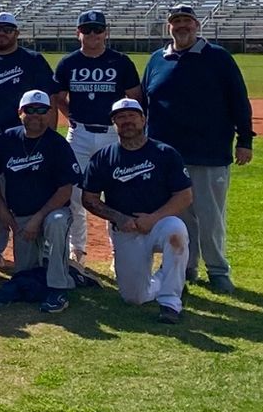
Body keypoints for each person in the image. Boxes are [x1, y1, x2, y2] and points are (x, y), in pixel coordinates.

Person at [141, 4, 254, 294]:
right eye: (176, 21)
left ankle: (217, 270)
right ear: (169, 27)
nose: (182, 26)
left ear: (196, 25)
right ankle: (185, 266)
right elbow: (145, 103)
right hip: (166, 156)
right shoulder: (157, 60)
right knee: (178, 216)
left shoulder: (218, 58)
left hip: (209, 151)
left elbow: (239, 100)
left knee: (210, 215)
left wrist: (245, 140)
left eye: (187, 21)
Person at [81, 98, 193, 324]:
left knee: (176, 232)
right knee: (134, 297)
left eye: (132, 115)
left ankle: (171, 303)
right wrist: (118, 217)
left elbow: (185, 196)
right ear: (114, 124)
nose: (127, 121)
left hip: (159, 222)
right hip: (126, 228)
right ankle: (166, 278)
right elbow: (89, 199)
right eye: (120, 117)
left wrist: (153, 219)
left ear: (143, 119)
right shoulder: (104, 158)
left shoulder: (165, 153)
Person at [0, 12, 58, 264]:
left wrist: (49, 136)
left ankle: (44, 247)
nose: (1, 33)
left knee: (37, 188)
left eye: (7, 28)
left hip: (29, 135)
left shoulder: (33, 60)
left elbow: (50, 101)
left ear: (17, 33)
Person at [53, 10, 141, 266]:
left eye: (97, 29)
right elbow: (58, 97)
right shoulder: (68, 62)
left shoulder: (121, 62)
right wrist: (73, 116)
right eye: (87, 29)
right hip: (79, 134)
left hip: (111, 134)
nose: (92, 34)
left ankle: (118, 252)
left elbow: (134, 98)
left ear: (106, 32)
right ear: (78, 33)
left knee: (117, 193)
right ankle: (77, 250)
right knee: (75, 194)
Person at [0, 90, 81, 314]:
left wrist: (38, 219)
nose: (36, 115)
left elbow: (66, 189)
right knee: (24, 273)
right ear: (20, 112)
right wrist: (0, 204)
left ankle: (59, 288)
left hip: (52, 212)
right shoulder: (8, 139)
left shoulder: (57, 144)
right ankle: (70, 275)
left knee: (56, 224)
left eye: (42, 110)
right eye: (30, 110)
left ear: (49, 113)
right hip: (20, 215)